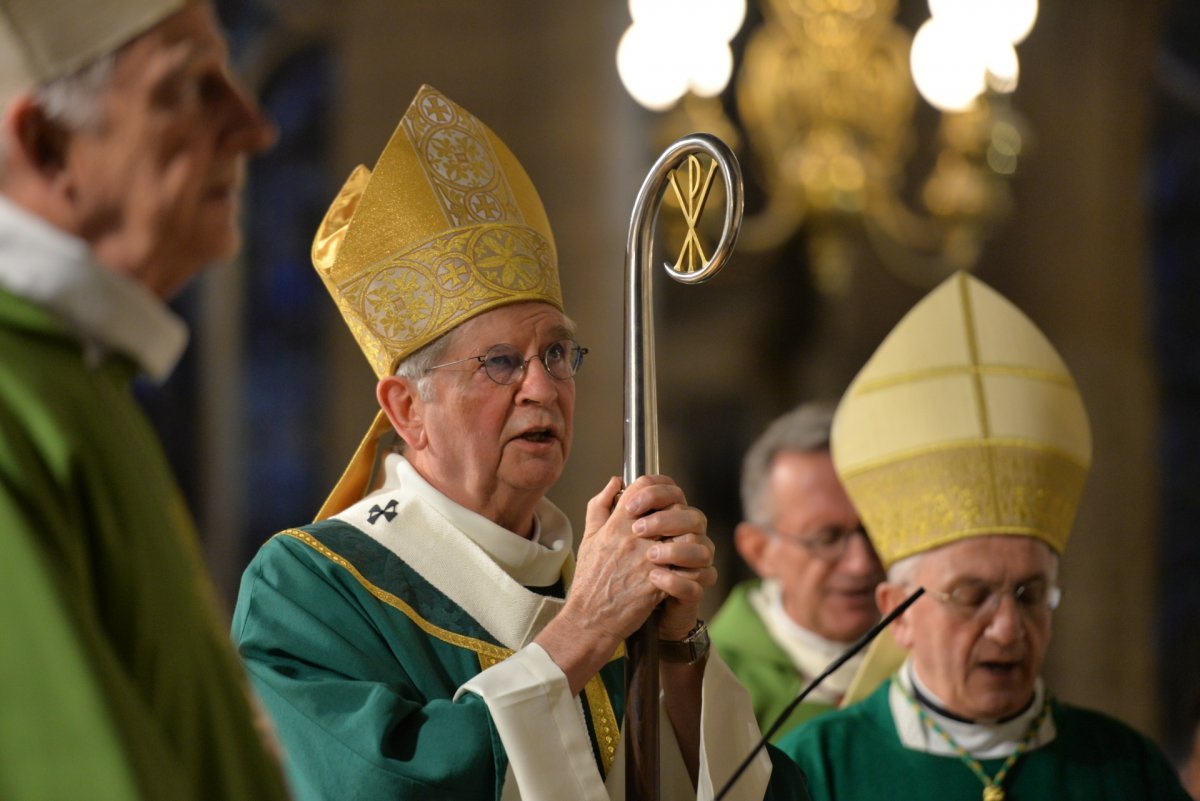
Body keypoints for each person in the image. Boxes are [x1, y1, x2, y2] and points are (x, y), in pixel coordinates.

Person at [230, 84, 808, 801]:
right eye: (501, 362)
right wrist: (583, 633)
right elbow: (376, 788)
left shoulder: (596, 576)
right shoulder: (309, 587)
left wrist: (676, 649)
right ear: (408, 408)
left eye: (559, 355)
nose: (543, 387)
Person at [0, 1, 286, 799]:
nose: (251, 126)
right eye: (191, 87)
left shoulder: (80, 380)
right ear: (49, 146)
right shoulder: (17, 398)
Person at [777, 272, 1190, 800]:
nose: (1007, 629)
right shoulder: (814, 768)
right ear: (897, 612)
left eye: (1031, 594)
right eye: (972, 596)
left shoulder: (1127, 769)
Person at [710, 401, 885, 741]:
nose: (861, 562)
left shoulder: (928, 656)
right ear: (759, 550)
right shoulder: (709, 681)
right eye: (827, 538)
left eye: (875, 529)